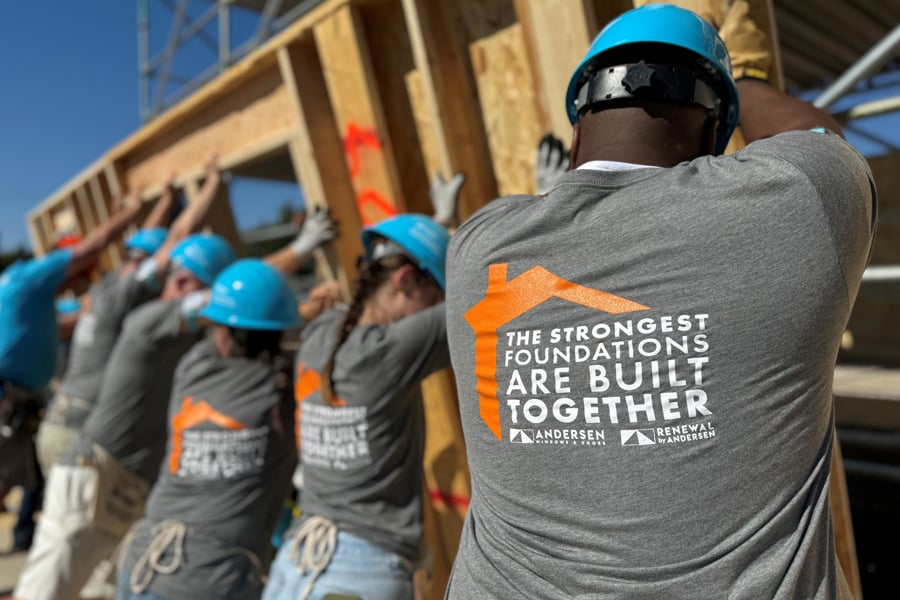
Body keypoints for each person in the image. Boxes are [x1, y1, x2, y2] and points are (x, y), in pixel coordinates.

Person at [444, 3, 876, 599]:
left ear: (577, 130)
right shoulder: (794, 207)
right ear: (717, 133)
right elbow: (819, 140)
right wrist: (746, 78)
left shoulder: (474, 249)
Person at [115, 260, 340, 600]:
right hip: (212, 583)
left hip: (144, 566)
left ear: (219, 329)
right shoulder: (290, 388)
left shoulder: (193, 366)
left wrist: (303, 309)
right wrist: (331, 312)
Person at [262, 211, 454, 600]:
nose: (437, 311)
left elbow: (385, 287)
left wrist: (436, 225)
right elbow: (499, 298)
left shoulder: (319, 331)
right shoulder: (392, 350)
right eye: (437, 300)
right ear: (405, 282)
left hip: (296, 562)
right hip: (360, 571)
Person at [35, 174, 182, 477]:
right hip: (82, 434)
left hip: (56, 425)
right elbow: (159, 251)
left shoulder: (103, 292)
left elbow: (142, 250)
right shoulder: (120, 296)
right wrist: (168, 202)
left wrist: (131, 212)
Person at [0, 192, 144, 498]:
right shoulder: (33, 279)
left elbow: (69, 324)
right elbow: (94, 244)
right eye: (79, 276)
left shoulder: (30, 297)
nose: (76, 287)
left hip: (15, 399)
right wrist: (131, 213)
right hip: (7, 398)